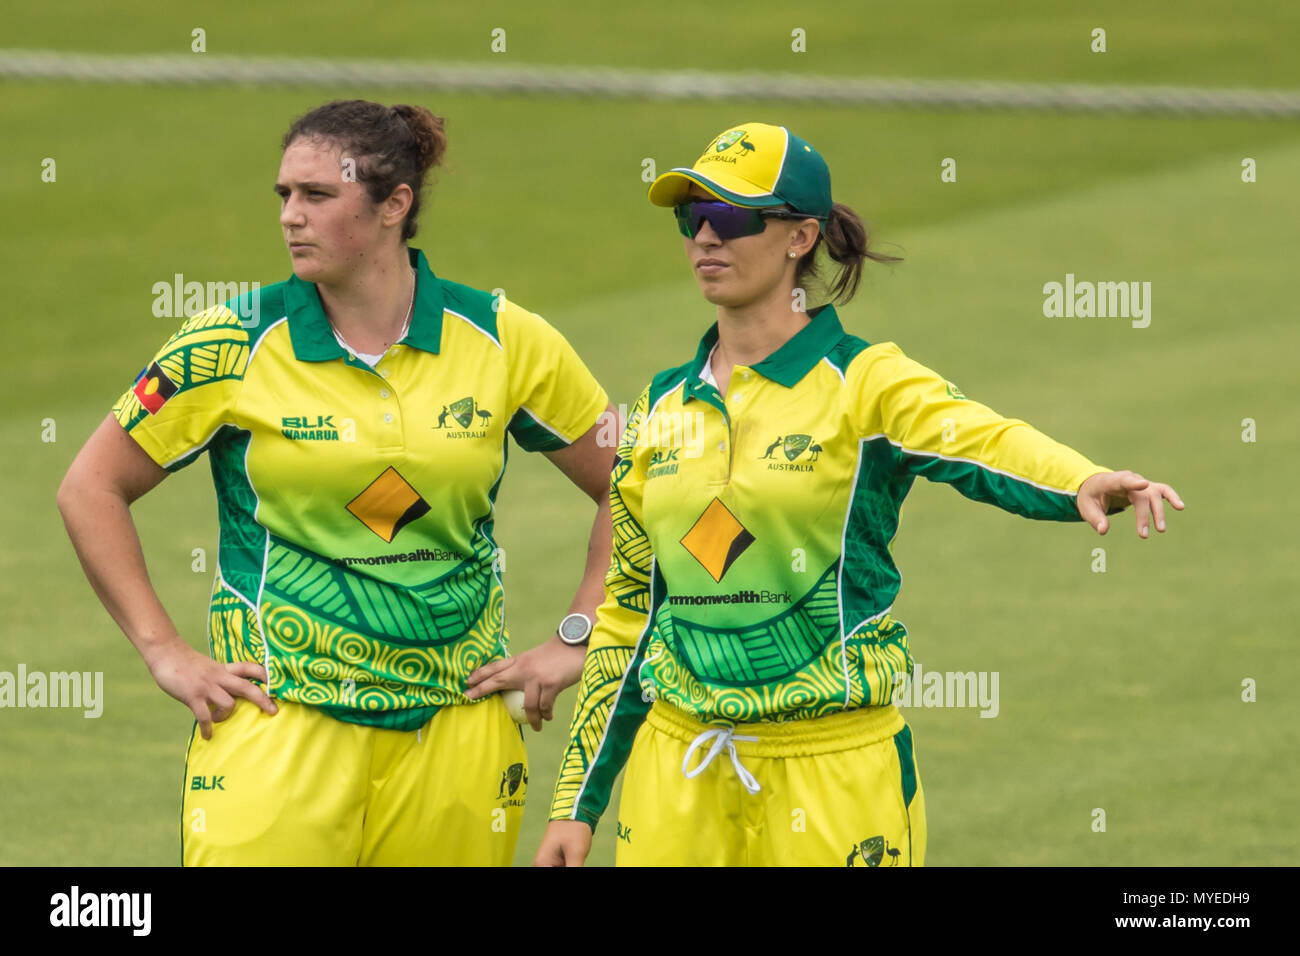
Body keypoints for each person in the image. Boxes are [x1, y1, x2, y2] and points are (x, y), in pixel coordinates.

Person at [536, 122, 1184, 866]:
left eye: (736, 216)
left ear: (799, 237)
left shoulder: (867, 381)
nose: (706, 237)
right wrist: (576, 804)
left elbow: (979, 439)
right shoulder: (657, 406)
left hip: (835, 770)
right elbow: (629, 613)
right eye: (692, 217)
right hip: (678, 777)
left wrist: (1078, 479)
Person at [57, 100, 615, 866]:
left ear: (394, 206)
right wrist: (163, 650)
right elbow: (90, 486)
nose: (291, 216)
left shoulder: (505, 339)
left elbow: (637, 486)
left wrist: (577, 634)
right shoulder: (232, 340)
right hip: (278, 727)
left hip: (458, 734)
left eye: (318, 196)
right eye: (284, 195)